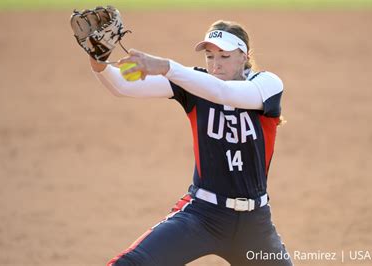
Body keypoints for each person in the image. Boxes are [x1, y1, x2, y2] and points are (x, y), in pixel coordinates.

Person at [90, 20, 292, 266]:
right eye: (209, 56)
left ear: (245, 56)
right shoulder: (195, 82)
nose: (216, 65)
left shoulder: (267, 84)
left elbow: (225, 93)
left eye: (225, 56)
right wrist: (98, 60)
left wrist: (166, 66)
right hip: (203, 215)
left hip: (255, 226)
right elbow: (121, 85)